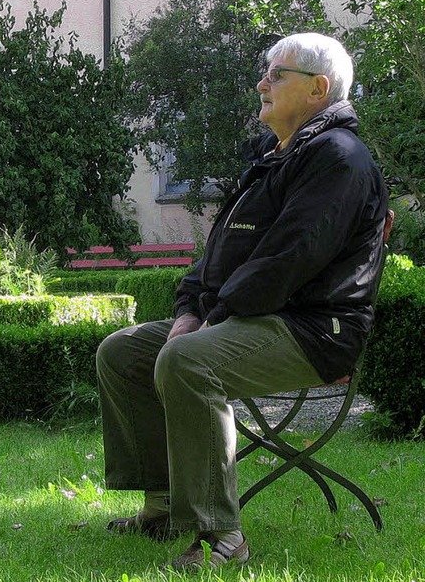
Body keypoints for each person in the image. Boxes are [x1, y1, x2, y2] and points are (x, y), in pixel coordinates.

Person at [96, 33, 388, 571]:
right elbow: (219, 256)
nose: (262, 83)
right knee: (123, 351)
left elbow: (285, 262)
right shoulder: (275, 159)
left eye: (277, 75)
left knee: (188, 360)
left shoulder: (339, 159)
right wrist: (190, 309)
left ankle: (219, 535)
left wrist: (209, 321)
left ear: (319, 89)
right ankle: (161, 507)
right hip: (252, 318)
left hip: (313, 331)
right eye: (266, 72)